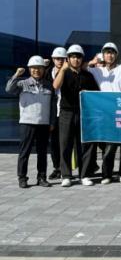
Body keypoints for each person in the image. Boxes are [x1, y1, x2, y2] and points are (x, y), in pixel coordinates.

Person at [87, 42, 121, 185]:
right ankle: (106, 174)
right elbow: (82, 68)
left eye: (112, 53)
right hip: (106, 114)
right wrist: (92, 62)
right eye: (107, 53)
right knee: (109, 146)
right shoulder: (97, 70)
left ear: (116, 55)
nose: (110, 55)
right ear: (103, 55)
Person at [52, 44, 99, 187]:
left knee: (84, 145)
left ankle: (84, 175)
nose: (76, 59)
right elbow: (55, 86)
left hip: (84, 113)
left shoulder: (88, 75)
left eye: (78, 57)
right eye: (72, 57)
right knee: (65, 144)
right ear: (68, 59)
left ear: (82, 59)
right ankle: (66, 175)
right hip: (66, 113)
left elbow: (96, 94)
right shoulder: (64, 73)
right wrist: (63, 69)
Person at [6, 56, 57, 188]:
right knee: (25, 152)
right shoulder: (22, 83)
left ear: (43, 70)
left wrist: (52, 122)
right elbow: (9, 89)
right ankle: (22, 178)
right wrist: (16, 74)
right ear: (29, 69)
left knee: (42, 153)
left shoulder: (49, 85)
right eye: (34, 68)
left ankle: (42, 177)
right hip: (27, 123)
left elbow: (53, 106)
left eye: (39, 68)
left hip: (43, 123)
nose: (36, 70)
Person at [45, 46, 67, 180]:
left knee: (66, 142)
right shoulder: (47, 72)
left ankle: (66, 168)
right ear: (53, 59)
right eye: (57, 58)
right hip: (52, 111)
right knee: (54, 142)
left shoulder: (69, 71)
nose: (60, 61)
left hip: (66, 110)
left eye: (62, 58)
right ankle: (57, 168)